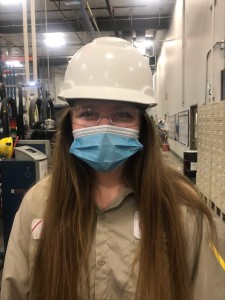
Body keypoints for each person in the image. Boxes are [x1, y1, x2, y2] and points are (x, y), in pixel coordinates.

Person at [1, 37, 224, 300]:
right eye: (88, 112)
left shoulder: (183, 210)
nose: (104, 126)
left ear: (142, 125)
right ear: (70, 122)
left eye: (122, 114)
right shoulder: (38, 204)